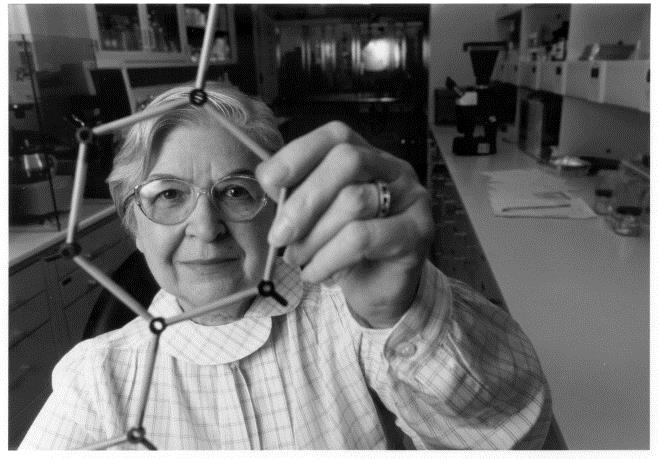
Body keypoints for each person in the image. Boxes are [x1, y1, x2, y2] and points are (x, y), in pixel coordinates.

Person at [20, 84, 552, 450]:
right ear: (133, 224)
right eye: (168, 195)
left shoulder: (356, 317)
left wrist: (403, 314)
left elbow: (511, 437)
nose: (205, 227)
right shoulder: (98, 383)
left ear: (278, 207)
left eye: (235, 191)